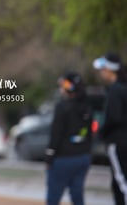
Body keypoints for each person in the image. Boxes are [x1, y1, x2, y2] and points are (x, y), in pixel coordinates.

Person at [45, 72, 93, 205]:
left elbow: (56, 134)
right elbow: (87, 133)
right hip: (82, 157)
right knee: (77, 195)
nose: (61, 89)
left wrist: (49, 156)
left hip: (62, 159)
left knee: (53, 197)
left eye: (63, 85)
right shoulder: (87, 107)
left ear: (69, 87)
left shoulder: (62, 107)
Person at [93, 52, 127, 205]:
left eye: (102, 69)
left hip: (118, 142)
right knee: (117, 183)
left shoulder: (115, 90)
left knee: (122, 183)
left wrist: (103, 132)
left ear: (109, 69)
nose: (101, 73)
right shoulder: (122, 88)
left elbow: (114, 117)